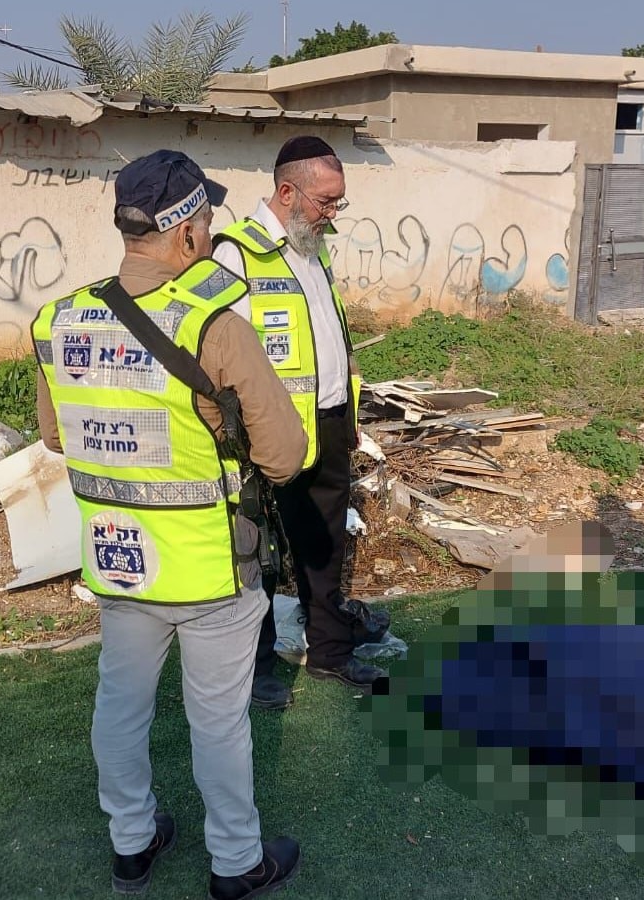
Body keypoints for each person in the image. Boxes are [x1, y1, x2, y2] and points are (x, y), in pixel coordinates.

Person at [32, 149, 306, 898]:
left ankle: (132, 842)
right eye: (207, 219)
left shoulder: (60, 319)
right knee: (218, 723)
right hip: (210, 568)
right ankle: (236, 863)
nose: (211, 231)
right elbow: (284, 457)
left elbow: (55, 435)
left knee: (120, 706)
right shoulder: (215, 326)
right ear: (187, 233)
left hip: (118, 561)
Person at [212, 134, 384, 709]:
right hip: (269, 434)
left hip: (328, 421)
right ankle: (257, 668)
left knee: (325, 543)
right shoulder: (236, 255)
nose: (333, 213)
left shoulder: (314, 248)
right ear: (287, 193)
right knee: (258, 554)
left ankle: (330, 650)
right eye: (325, 201)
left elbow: (329, 333)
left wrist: (347, 406)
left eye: (339, 201)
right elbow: (222, 356)